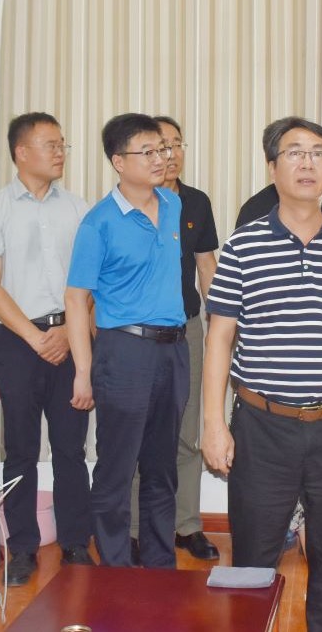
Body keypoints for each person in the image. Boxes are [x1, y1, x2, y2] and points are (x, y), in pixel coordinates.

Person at [202, 117, 322, 632]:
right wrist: (214, 425)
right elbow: (220, 337)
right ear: (272, 168)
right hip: (261, 425)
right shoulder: (243, 246)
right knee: (253, 556)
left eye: (317, 153)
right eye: (294, 152)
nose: (307, 162)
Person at [0, 111, 94, 586]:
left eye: (63, 144)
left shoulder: (79, 209)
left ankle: (76, 542)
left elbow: (92, 282)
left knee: (70, 448)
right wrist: (36, 336)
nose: (60, 152)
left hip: (71, 335)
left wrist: (66, 333)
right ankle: (21, 547)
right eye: (50, 144)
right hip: (19, 342)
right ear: (22, 152)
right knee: (20, 448)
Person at [65, 113, 190, 568]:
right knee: (117, 471)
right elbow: (76, 298)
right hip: (124, 352)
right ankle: (115, 572)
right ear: (119, 162)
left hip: (174, 350)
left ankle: (159, 569)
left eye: (163, 149)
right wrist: (83, 371)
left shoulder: (173, 205)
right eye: (148, 151)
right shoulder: (97, 223)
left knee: (162, 469)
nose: (161, 158)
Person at [128, 116, 221, 562]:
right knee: (135, 433)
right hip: (136, 335)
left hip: (187, 328)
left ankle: (187, 525)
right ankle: (132, 530)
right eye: (161, 145)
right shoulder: (129, 204)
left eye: (177, 144)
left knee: (187, 432)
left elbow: (207, 267)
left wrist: (220, 327)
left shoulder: (196, 202)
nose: (170, 153)